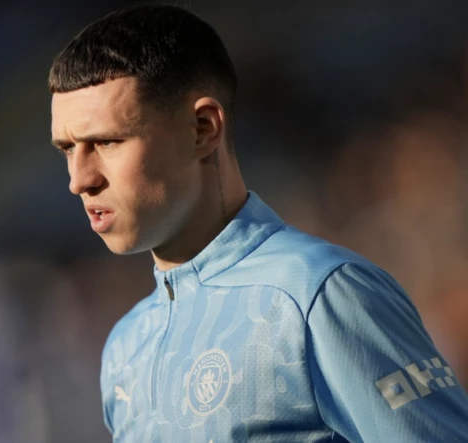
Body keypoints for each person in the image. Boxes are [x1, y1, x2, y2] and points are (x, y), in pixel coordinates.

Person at [48, 4, 468, 442]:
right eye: (67, 150)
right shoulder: (126, 345)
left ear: (203, 128)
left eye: (108, 142)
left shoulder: (319, 295)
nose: (80, 180)